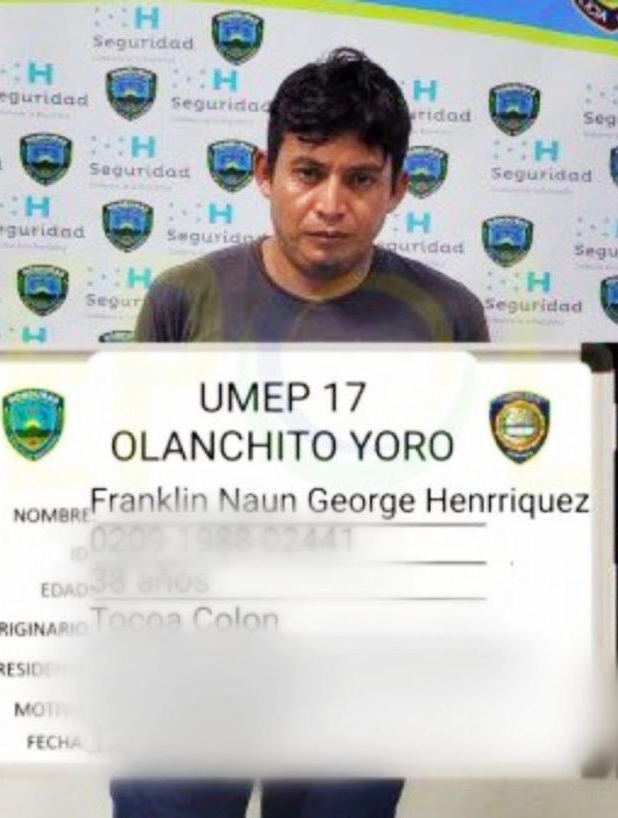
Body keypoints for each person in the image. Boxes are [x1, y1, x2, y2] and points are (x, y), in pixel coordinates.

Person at [114, 47, 489, 818]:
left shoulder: (448, 317)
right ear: (264, 173)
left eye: (361, 179)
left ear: (399, 188)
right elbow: (130, 479)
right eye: (308, 172)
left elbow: (472, 501)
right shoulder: (184, 299)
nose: (330, 204)